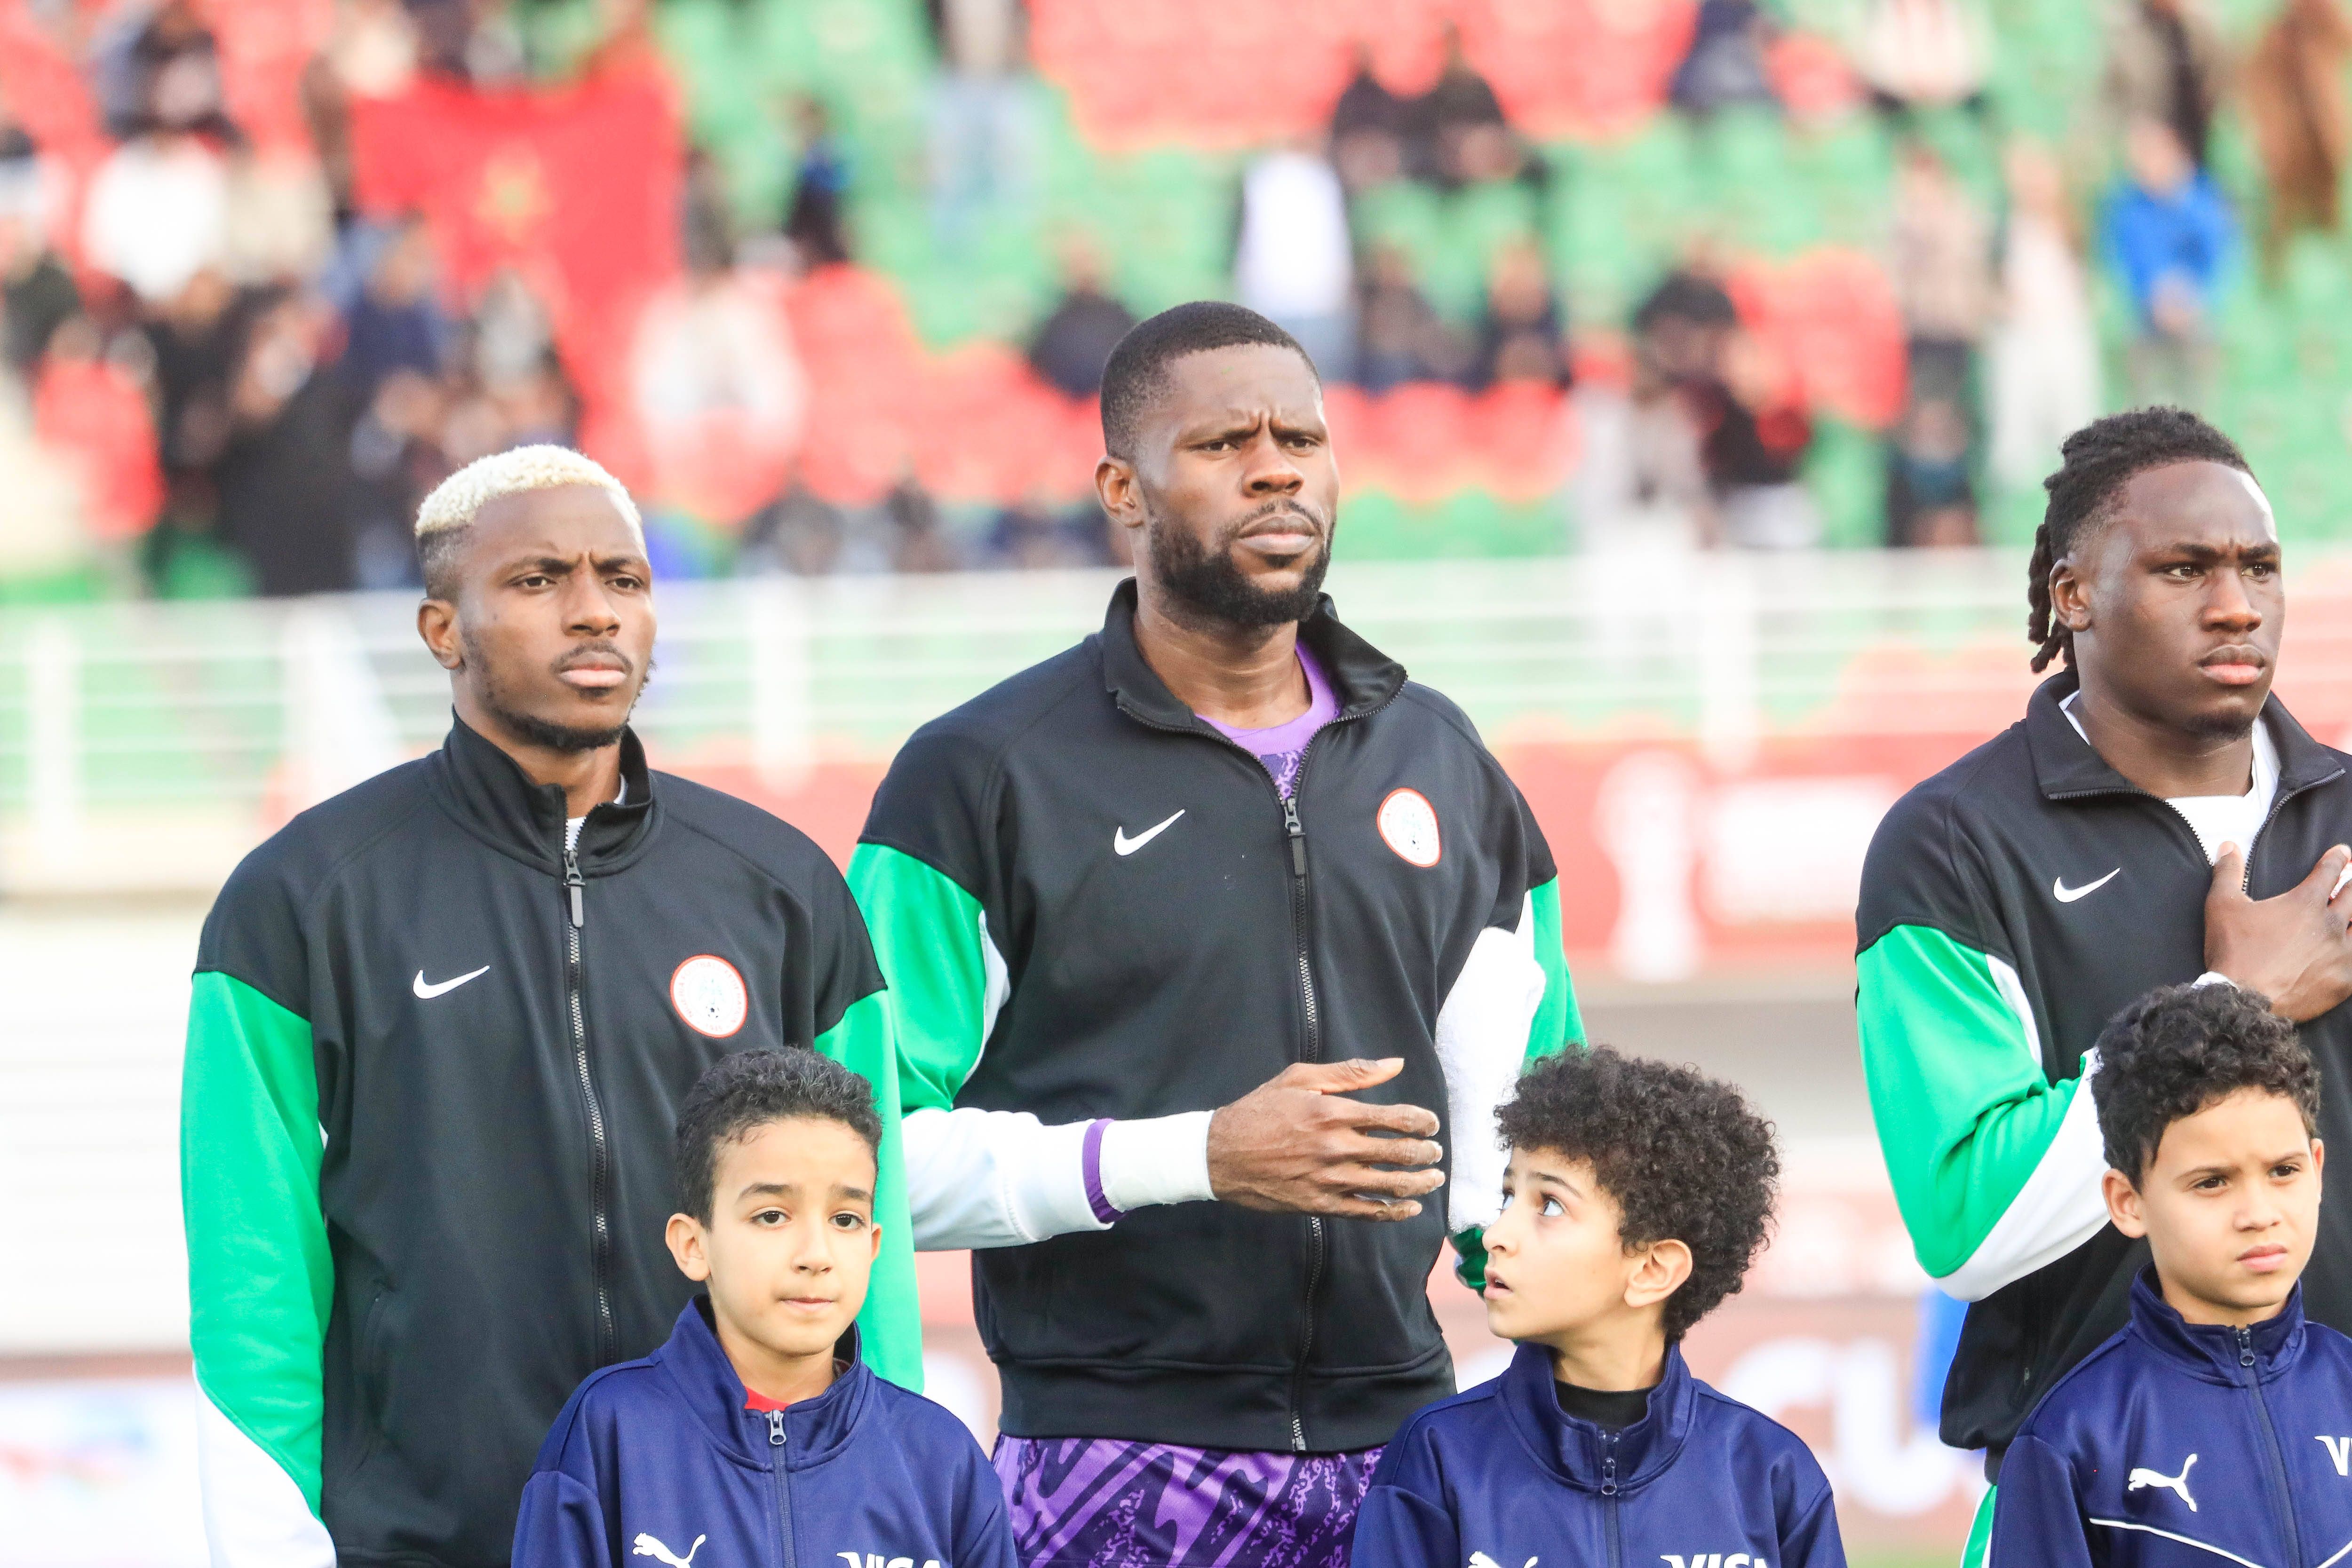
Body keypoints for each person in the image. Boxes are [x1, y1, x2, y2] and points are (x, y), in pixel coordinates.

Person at [849, 301, 1581, 1568]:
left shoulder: (1447, 762)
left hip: (1409, 1441)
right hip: (1107, 1455)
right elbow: (860, 1162)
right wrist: (1197, 1153)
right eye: (1227, 441)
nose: (1277, 464)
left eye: (1302, 434)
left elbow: (1538, 1124)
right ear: (1122, 491)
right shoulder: (973, 779)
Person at [181, 445, 918, 1568]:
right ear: (442, 629)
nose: (595, 614)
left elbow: (879, 1219)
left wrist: (884, 1481)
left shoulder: (780, 886)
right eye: (539, 582)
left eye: (623, 580)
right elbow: (253, 1263)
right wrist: (269, 1540)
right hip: (436, 1536)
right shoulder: (302, 898)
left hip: (745, 1529)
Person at [1855, 406, 2352, 1567]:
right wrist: (2230, 1004)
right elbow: (1966, 1224)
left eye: (2259, 568)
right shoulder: (1951, 846)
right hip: (2091, 1502)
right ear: (2072, 595)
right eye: (2184, 569)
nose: (2235, 605)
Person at [513, 1050, 1017, 1568]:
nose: (816, 1255)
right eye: (772, 1215)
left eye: (845, 1219)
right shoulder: (610, 1432)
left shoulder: (940, 1458)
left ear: (872, 1244)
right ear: (693, 1244)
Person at [1350, 1048, 1843, 1568]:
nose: (1496, 1235)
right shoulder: (1434, 1458)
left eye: (1550, 1205)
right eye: (1507, 1196)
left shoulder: (1769, 1473)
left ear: (1652, 1269)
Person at [1993, 982, 2352, 1564]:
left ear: (2315, 1168)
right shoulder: (2072, 1438)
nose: (2258, 1214)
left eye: (2282, 1170)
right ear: (2127, 1200)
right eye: (2211, 1181)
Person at [2104, 118, 2235, 412]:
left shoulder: (2200, 197)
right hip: (2148, 318)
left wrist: (2195, 298)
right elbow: (2120, 264)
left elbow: (2222, 255)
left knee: (2202, 402)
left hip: (2198, 314)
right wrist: (2153, 297)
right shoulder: (2127, 206)